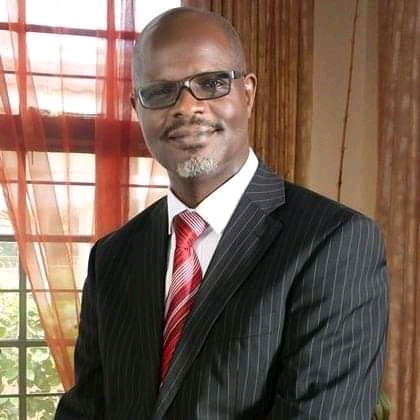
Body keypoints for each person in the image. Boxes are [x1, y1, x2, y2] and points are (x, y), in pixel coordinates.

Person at [55, 6, 388, 419]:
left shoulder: (334, 242)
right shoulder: (112, 257)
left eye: (211, 83)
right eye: (160, 91)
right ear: (137, 109)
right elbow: (86, 410)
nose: (186, 107)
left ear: (247, 93)